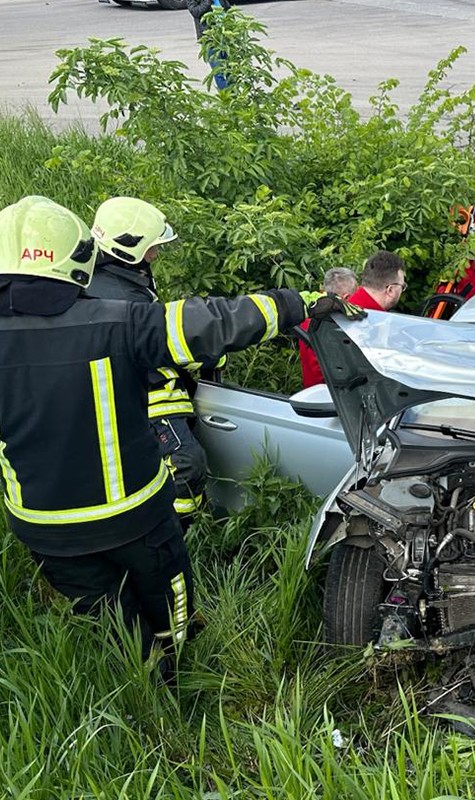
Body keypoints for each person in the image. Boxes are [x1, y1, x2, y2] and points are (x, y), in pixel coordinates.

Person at [0, 196, 362, 677]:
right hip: (133, 516)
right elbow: (216, 320)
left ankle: (141, 680)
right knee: (168, 600)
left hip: (43, 528)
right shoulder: (120, 321)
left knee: (105, 614)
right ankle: (176, 670)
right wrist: (298, 303)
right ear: (78, 259)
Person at [86, 197, 207, 528]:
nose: (155, 254)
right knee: (187, 463)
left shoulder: (106, 275)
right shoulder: (122, 297)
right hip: (144, 391)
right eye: (152, 246)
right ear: (129, 248)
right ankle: (175, 530)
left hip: (125, 386)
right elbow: (153, 341)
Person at [300, 252, 407, 388]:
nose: (402, 290)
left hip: (314, 395)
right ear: (390, 290)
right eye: (402, 287)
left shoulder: (327, 313)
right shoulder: (371, 324)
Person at [299, 267, 359, 389]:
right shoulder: (332, 325)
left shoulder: (307, 318)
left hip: (311, 391)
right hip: (333, 394)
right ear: (346, 298)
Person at [185, 0, 229, 91]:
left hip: (225, 36)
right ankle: (226, 96)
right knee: (218, 71)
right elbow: (195, 11)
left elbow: (227, 8)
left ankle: (235, 95)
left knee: (231, 69)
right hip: (209, 39)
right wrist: (208, 1)